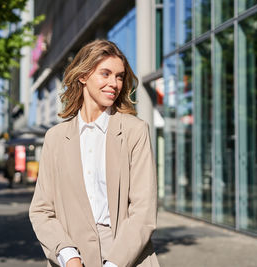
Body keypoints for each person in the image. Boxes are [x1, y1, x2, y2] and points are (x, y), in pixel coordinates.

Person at [29, 40, 159, 267]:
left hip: (125, 256)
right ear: (83, 76)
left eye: (119, 76)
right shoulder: (55, 138)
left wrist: (114, 263)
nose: (114, 83)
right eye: (106, 74)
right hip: (72, 257)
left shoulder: (134, 131)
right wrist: (68, 255)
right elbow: (41, 210)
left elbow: (143, 212)